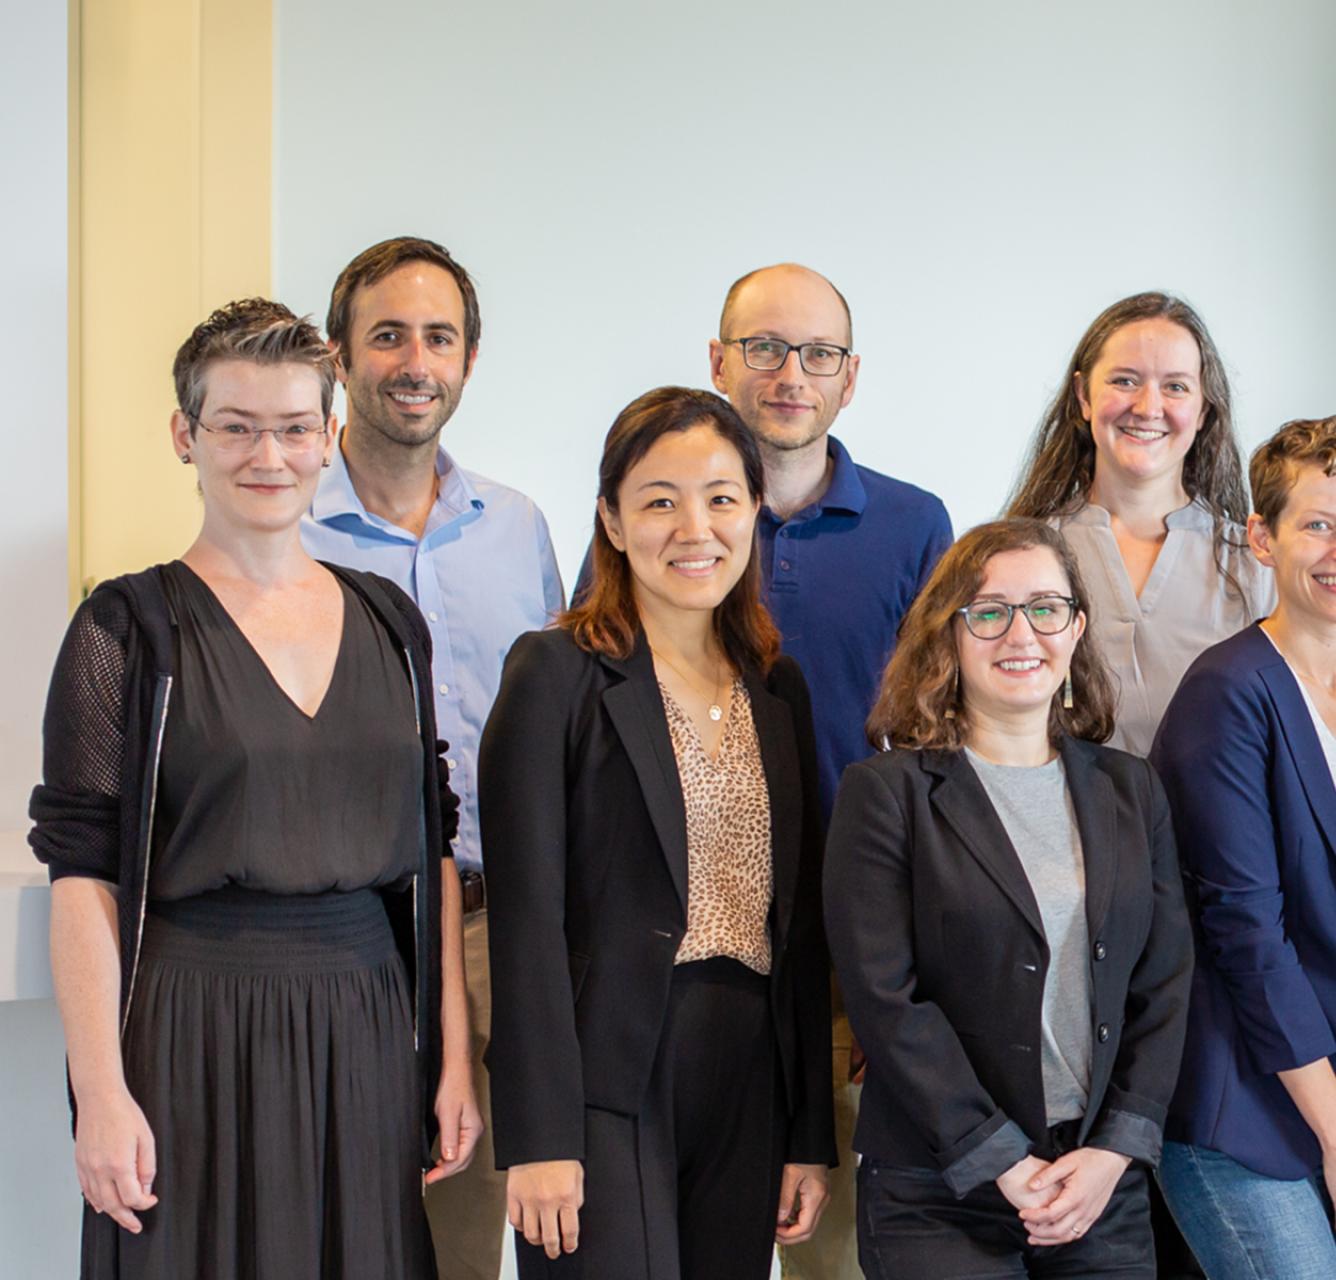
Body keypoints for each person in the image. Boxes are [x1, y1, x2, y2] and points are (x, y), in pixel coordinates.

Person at [32, 299, 476, 1278]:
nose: (265, 454)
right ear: (187, 435)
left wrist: (447, 1057)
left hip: (364, 1024)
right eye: (235, 426)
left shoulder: (389, 621)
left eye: (289, 427)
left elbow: (429, 844)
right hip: (190, 1030)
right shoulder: (127, 628)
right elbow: (83, 880)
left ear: (327, 435)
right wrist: (100, 1092)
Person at [482, 387, 834, 1278]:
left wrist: (808, 1135)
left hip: (750, 1074)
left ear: (755, 509)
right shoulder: (555, 675)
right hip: (606, 1082)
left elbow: (799, 931)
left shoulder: (777, 689)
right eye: (659, 500)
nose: (694, 528)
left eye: (720, 497)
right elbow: (525, 924)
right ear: (610, 516)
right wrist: (539, 1135)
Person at [828, 519, 1194, 1278]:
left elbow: (1164, 984)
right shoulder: (886, 794)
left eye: (1045, 608)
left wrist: (1111, 1152)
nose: (1019, 633)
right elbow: (884, 1000)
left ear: (1076, 628)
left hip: (1095, 1182)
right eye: (989, 612)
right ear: (949, 635)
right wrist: (997, 1157)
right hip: (937, 1187)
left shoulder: (1131, 789)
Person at [300, 235, 565, 1280]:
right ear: (339, 354)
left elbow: (560, 733)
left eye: (439, 336)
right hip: (353, 934)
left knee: (465, 1238)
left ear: (468, 358)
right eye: (388, 335)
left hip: (500, 934)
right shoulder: (291, 526)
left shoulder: (518, 527)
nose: (415, 360)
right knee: (343, 1223)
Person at [1151, 417, 1336, 1280]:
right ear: (1261, 539)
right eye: (1318, 524)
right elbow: (1247, 936)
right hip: (1249, 1096)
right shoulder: (1227, 694)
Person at [706, 263, 953, 1280]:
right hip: (697, 926)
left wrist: (909, 955)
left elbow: (943, 747)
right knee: (698, 1225)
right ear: (718, 362)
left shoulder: (915, 524)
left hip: (852, 931)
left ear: (850, 378)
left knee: (836, 1250)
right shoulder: (667, 513)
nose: (788, 373)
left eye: (815, 353)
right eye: (763, 347)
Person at [1005, 291, 1273, 756]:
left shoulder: (1258, 566)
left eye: (1175, 387)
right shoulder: (1021, 563)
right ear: (1083, 396)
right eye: (1125, 381)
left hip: (1211, 828)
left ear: (1204, 411)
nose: (1149, 407)